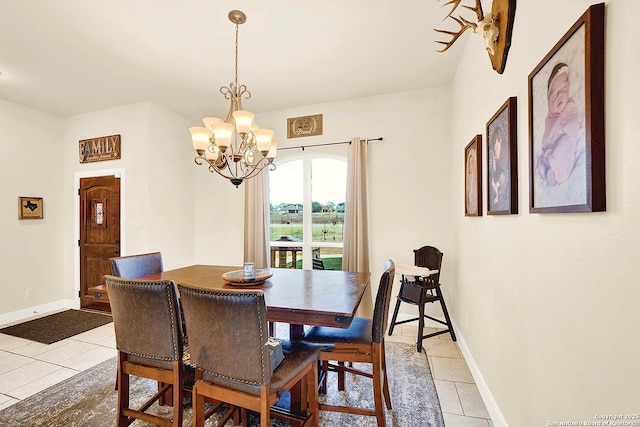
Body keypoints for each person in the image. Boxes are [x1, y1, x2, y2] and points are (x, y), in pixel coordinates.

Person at [536, 62, 583, 186]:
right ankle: (544, 165)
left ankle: (554, 170)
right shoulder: (549, 116)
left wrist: (566, 122)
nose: (560, 95)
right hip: (550, 148)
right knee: (546, 149)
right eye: (554, 94)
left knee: (565, 144)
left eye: (564, 89)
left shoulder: (569, 107)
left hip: (563, 152)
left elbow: (573, 129)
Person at [489, 123, 508, 210]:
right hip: (498, 177)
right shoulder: (495, 154)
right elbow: (494, 173)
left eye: (497, 143)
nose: (496, 148)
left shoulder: (504, 151)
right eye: (495, 145)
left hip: (503, 177)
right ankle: (497, 195)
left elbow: (504, 170)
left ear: (500, 141)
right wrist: (494, 162)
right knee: (494, 182)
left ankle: (497, 195)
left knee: (501, 177)